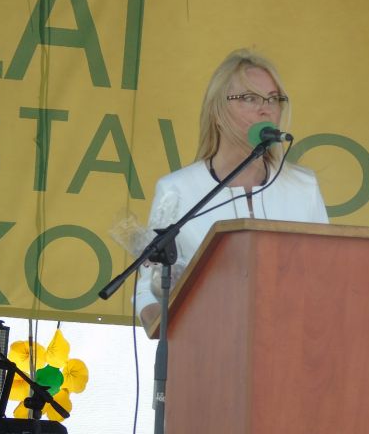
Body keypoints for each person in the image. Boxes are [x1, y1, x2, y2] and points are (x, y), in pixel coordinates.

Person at [134, 48, 329, 327]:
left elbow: (324, 276)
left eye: (274, 99)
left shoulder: (303, 187)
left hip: (290, 339)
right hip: (208, 341)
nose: (266, 108)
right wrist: (170, 326)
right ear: (217, 112)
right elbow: (149, 289)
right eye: (250, 98)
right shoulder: (176, 190)